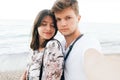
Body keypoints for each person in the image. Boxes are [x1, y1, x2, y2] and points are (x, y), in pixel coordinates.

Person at [51, 0, 103, 80]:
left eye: (68, 18)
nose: (63, 24)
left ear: (78, 18)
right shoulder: (60, 45)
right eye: (58, 19)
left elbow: (94, 62)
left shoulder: (88, 42)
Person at [20, 9, 64, 80]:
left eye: (52, 25)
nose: (49, 28)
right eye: (44, 24)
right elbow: (29, 71)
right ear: (37, 25)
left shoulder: (53, 46)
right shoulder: (34, 48)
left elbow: (53, 77)